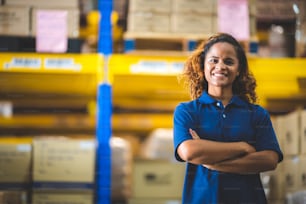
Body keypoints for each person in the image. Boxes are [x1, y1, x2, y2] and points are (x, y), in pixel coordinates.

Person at [173, 33, 283, 204]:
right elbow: (189, 151)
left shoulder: (256, 114)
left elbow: (269, 160)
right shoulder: (187, 111)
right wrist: (243, 147)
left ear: (239, 70)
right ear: (203, 66)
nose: (221, 66)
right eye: (214, 60)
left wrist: (213, 163)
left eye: (229, 61)